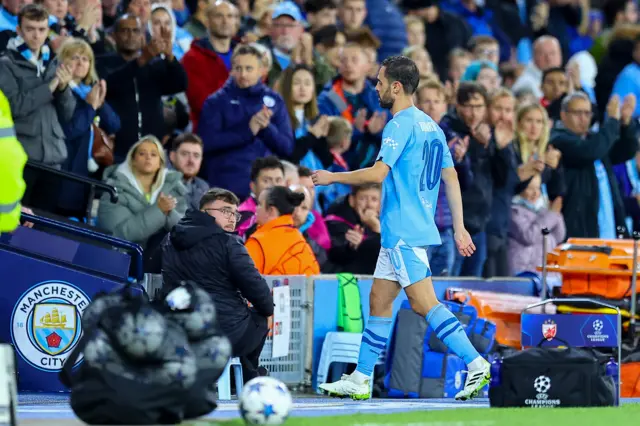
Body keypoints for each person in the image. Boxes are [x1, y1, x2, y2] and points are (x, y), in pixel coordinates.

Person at [312, 55, 488, 401]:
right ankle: (362, 377)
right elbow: (450, 178)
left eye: (378, 82)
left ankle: (476, 362)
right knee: (379, 300)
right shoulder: (432, 126)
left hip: (404, 231)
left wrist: (332, 176)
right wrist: (459, 227)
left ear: (395, 86)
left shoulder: (399, 124)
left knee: (425, 304)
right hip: (407, 230)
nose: (375, 88)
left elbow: (378, 174)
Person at [161, 187, 274, 382]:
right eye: (225, 211)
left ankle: (242, 374)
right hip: (223, 330)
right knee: (261, 320)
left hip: (179, 327)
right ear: (204, 212)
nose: (232, 217)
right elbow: (256, 287)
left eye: (234, 213)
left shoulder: (170, 239)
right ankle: (245, 376)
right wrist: (268, 310)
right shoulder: (228, 243)